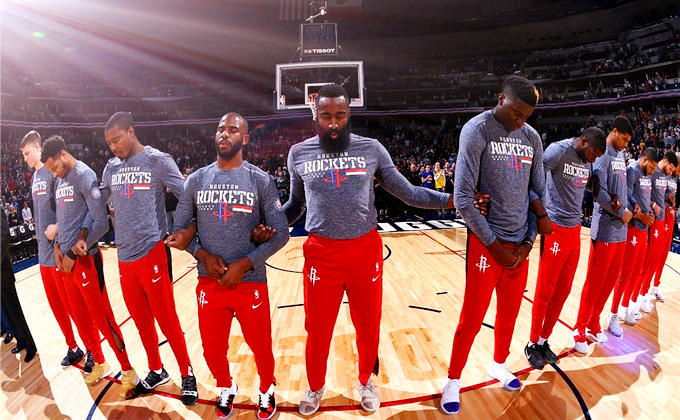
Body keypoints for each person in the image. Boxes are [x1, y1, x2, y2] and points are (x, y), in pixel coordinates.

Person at [282, 83, 464, 415]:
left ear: (349, 114)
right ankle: (315, 386)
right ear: (315, 114)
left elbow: (408, 192)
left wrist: (453, 200)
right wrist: (267, 225)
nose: (333, 123)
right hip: (321, 253)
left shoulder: (372, 149)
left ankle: (366, 380)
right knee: (317, 329)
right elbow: (295, 206)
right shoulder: (299, 153)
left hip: (364, 251)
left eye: (340, 115)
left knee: (368, 326)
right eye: (326, 116)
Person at [167, 112, 289, 420]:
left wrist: (246, 263)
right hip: (209, 281)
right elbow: (179, 229)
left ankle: (266, 388)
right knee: (211, 349)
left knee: (261, 346)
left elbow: (281, 234)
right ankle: (226, 386)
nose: (224, 133)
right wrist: (202, 255)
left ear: (244, 139)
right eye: (221, 129)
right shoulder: (196, 180)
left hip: (250, 280)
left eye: (233, 130)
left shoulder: (260, 180)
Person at [441, 75, 547, 415]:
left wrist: (528, 241)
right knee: (472, 318)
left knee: (509, 314)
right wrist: (494, 246)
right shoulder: (476, 130)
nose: (520, 120)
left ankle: (499, 364)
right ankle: (453, 380)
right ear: (501, 98)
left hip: (520, 246)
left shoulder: (532, 137)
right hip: (487, 245)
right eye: (516, 112)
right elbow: (462, 198)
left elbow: (537, 194)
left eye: (526, 116)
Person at [96, 112, 197, 404]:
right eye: (109, 143)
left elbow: (187, 195)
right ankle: (156, 369)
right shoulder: (111, 167)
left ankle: (187, 372)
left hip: (152, 251)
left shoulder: (158, 160)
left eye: (117, 139)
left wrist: (187, 229)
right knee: (141, 322)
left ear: (131, 131)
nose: (113, 147)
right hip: (124, 258)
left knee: (167, 320)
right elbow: (97, 201)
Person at [41, 135, 137, 397]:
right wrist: (58, 246)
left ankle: (128, 370)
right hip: (66, 262)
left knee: (103, 319)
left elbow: (101, 223)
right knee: (81, 319)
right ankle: (100, 362)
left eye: (54, 167)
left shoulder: (85, 176)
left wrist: (74, 253)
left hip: (86, 261)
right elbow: (65, 218)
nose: (54, 173)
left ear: (63, 154)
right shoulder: (60, 179)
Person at [525, 127, 606, 369]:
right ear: (584, 141)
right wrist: (540, 212)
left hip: (574, 230)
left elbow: (584, 186)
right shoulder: (558, 150)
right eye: (593, 154)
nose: (593, 159)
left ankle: (543, 340)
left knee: (563, 290)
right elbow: (533, 178)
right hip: (555, 228)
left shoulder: (588, 162)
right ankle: (531, 343)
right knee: (545, 289)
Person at [20, 130, 86, 368]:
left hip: (58, 251)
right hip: (43, 254)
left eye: (27, 153)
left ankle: (92, 347)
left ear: (38, 148)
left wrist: (58, 226)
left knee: (73, 306)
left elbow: (66, 205)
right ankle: (73, 347)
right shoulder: (34, 177)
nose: (25, 158)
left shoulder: (52, 173)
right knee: (57, 308)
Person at [572, 116, 633, 354]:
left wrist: (629, 208)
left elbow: (621, 191)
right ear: (614, 131)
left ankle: (593, 323)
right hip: (605, 229)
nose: (626, 144)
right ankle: (579, 328)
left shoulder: (621, 155)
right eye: (624, 139)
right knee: (594, 283)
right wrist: (621, 211)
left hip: (621, 231)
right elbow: (598, 193)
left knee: (609, 282)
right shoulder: (603, 155)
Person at [607, 147, 657, 333]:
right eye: (651, 167)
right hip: (633, 228)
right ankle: (613, 315)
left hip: (643, 229)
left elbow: (643, 198)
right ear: (644, 159)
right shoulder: (632, 170)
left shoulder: (646, 174)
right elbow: (626, 198)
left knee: (636, 272)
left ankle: (626, 308)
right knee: (624, 273)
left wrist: (649, 213)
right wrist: (641, 215)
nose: (652, 171)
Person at [633, 151, 678, 313]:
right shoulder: (652, 172)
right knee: (647, 261)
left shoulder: (666, 176)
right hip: (651, 221)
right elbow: (643, 195)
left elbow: (661, 195)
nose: (671, 172)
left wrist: (668, 199)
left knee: (654, 260)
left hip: (661, 220)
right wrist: (653, 206)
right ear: (666, 161)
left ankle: (644, 294)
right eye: (671, 168)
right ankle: (638, 296)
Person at [1, 209, 37, 362]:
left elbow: (4, 236)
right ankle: (20, 341)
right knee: (8, 312)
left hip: (3, 271)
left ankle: (30, 345)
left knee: (16, 312)